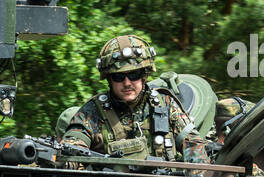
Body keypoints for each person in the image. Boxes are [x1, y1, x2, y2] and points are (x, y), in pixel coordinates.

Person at [63, 34, 211, 164]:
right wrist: (69, 159)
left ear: (144, 76)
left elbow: (193, 144)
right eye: (119, 76)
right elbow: (72, 148)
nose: (127, 83)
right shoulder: (92, 111)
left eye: (133, 74)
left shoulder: (165, 103)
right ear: (109, 79)